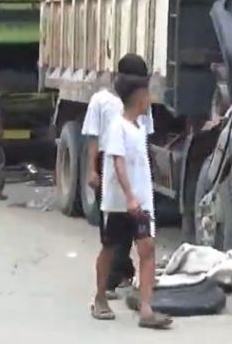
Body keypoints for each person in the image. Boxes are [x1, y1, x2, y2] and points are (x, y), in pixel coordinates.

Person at [91, 72, 171, 329]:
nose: (151, 99)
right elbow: (118, 161)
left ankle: (146, 310)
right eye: (148, 94)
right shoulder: (118, 126)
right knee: (110, 249)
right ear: (139, 97)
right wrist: (129, 197)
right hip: (119, 203)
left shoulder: (140, 127)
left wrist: (140, 199)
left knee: (147, 249)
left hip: (141, 203)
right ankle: (100, 298)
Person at [82, 54, 154, 300]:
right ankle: (107, 287)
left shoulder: (141, 114)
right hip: (111, 171)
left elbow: (145, 141)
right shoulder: (101, 101)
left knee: (141, 242)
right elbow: (94, 137)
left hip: (134, 176)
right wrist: (92, 169)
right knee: (112, 238)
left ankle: (127, 281)